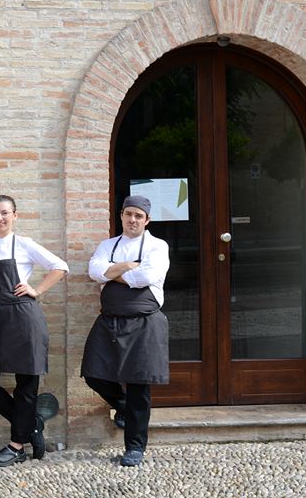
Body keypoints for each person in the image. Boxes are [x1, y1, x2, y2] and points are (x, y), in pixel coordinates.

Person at [0, 194, 68, 467]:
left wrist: (36, 289)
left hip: (24, 318)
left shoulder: (24, 243)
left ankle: (16, 446)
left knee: (26, 384)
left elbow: (60, 267)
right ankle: (31, 424)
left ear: (15, 215)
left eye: (5, 213)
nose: (0, 218)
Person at [81, 195, 170, 467]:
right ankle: (122, 405)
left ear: (147, 220)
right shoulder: (108, 245)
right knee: (93, 373)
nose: (133, 220)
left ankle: (135, 447)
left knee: (139, 386)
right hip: (109, 320)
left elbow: (148, 276)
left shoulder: (157, 246)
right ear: (121, 215)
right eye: (128, 214)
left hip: (144, 322)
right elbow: (93, 270)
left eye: (138, 216)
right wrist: (127, 268)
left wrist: (111, 273)